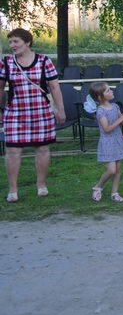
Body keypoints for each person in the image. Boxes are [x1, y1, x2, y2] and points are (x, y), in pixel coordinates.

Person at [0, 28, 65, 202]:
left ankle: (41, 185)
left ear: (27, 42)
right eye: (10, 42)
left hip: (41, 111)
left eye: (16, 41)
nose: (12, 45)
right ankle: (13, 190)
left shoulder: (44, 61)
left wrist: (60, 109)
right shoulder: (6, 62)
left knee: (43, 148)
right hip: (15, 113)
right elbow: (0, 88)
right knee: (12, 150)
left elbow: (54, 87)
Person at [88, 82, 123, 203]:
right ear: (101, 97)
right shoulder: (100, 111)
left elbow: (122, 123)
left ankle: (114, 193)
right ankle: (98, 186)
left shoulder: (115, 106)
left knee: (117, 170)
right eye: (107, 90)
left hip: (118, 140)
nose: (111, 91)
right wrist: (120, 119)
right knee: (111, 170)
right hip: (107, 143)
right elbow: (106, 129)